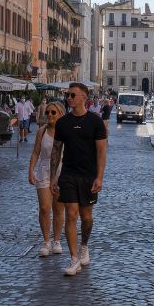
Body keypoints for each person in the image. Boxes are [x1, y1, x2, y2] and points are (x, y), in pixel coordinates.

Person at [50, 83, 108, 276]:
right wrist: (53, 178)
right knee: (71, 214)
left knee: (86, 217)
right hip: (68, 174)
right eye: (68, 94)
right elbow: (56, 151)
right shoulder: (62, 122)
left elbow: (101, 151)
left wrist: (100, 177)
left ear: (84, 97)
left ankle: (84, 245)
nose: (69, 97)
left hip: (88, 175)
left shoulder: (95, 122)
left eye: (73, 94)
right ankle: (74, 259)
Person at [28, 102, 67, 257]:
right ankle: (46, 241)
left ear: (61, 114)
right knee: (44, 208)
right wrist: (30, 170)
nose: (49, 115)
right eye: (48, 112)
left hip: (62, 172)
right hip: (44, 171)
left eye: (53, 112)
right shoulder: (41, 132)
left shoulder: (66, 132)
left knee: (58, 209)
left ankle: (57, 240)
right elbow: (36, 152)